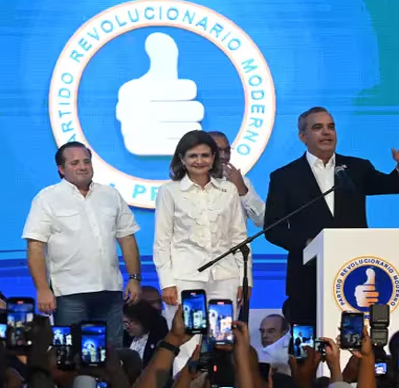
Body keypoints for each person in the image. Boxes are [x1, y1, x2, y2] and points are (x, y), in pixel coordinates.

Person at [265, 106, 399, 323]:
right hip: (308, 276)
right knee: (309, 342)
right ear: (302, 136)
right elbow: (273, 229)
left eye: (331, 127)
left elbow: (392, 185)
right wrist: (309, 242)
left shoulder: (356, 168)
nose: (327, 132)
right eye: (318, 127)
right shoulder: (285, 177)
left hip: (353, 271)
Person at [22, 141, 142, 347]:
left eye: (87, 161)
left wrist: (134, 278)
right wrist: (42, 289)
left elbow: (127, 238)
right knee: (71, 355)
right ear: (61, 169)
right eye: (75, 163)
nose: (83, 167)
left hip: (110, 290)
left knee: (113, 354)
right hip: (69, 293)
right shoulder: (47, 199)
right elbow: (35, 246)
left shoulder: (110, 195)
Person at [153, 130, 251, 373]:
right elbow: (162, 242)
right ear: (181, 159)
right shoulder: (169, 191)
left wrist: (244, 278)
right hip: (185, 278)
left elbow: (239, 237)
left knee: (223, 341)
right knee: (187, 343)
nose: (199, 161)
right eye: (193, 155)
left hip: (225, 277)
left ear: (214, 157)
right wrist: (166, 283)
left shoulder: (228, 190)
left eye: (205, 155)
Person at [208, 131, 266, 227]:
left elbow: (263, 220)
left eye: (227, 151)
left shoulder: (240, 182)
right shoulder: (183, 184)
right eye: (218, 151)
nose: (224, 156)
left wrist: (243, 192)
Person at [123, 300, 169, 367]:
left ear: (142, 320)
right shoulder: (126, 337)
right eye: (124, 323)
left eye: (129, 322)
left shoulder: (158, 339)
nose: (126, 327)